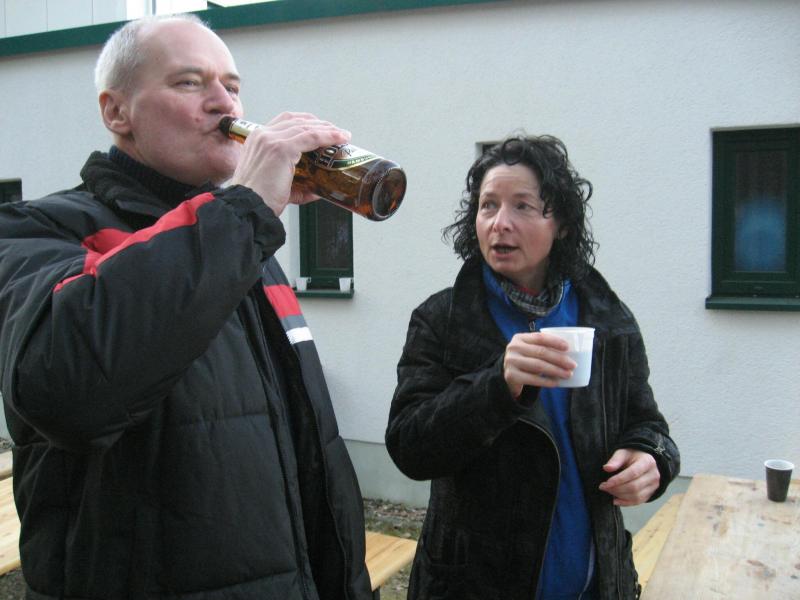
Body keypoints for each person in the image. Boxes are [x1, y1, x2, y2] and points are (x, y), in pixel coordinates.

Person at [0, 14, 371, 600]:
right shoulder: (37, 229)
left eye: (232, 85)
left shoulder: (242, 238)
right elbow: (66, 388)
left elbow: (307, 449)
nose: (224, 103)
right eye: (189, 82)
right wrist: (245, 208)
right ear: (117, 112)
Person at [385, 135, 680, 599]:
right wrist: (496, 386)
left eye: (522, 206)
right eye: (488, 205)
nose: (499, 223)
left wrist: (652, 459)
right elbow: (410, 447)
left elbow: (648, 424)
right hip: (472, 587)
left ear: (561, 224)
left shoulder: (606, 318)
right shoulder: (443, 319)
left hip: (595, 584)